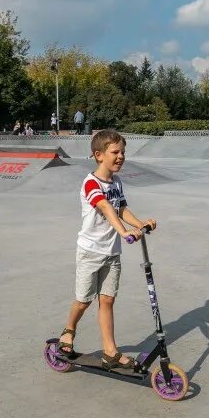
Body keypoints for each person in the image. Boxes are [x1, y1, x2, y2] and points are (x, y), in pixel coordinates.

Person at [57, 129, 157, 370]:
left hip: (112, 253)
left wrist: (139, 223)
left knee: (108, 301)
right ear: (99, 155)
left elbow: (121, 208)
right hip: (91, 251)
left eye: (123, 152)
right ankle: (68, 330)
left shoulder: (116, 182)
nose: (121, 156)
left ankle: (110, 352)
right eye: (115, 152)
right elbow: (104, 207)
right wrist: (123, 231)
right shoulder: (91, 182)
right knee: (83, 301)